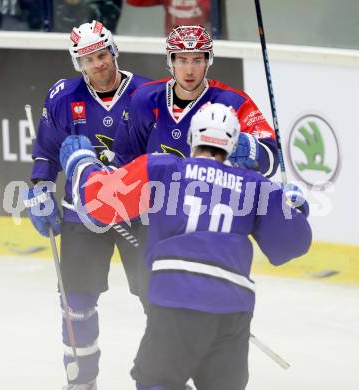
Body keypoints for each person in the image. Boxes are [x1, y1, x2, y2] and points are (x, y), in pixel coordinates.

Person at [59, 102, 312, 390]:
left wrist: (81, 163)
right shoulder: (254, 185)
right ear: (231, 145)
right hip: (233, 308)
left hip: (176, 298)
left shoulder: (162, 167)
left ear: (192, 138)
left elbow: (97, 204)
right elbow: (292, 244)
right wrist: (292, 207)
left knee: (156, 383)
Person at [23, 20, 150, 390]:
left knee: (158, 300)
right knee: (76, 304)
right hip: (83, 214)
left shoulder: (148, 93)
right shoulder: (63, 97)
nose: (98, 64)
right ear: (78, 64)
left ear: (114, 51)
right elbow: (46, 152)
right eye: (88, 59)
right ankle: (82, 381)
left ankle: (164, 377)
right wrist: (41, 190)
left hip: (137, 214)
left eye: (102, 54)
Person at [114, 24, 279, 179]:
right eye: (182, 60)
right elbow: (124, 161)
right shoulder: (144, 99)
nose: (189, 70)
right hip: (157, 203)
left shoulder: (234, 102)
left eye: (197, 61)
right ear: (170, 61)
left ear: (208, 61)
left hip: (212, 203)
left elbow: (272, 160)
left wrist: (251, 149)